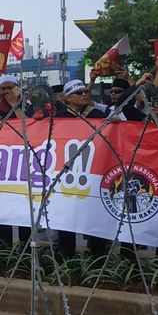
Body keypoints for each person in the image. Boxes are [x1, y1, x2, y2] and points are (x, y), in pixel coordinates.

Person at [55, 79, 108, 257]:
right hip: (67, 173)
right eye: (78, 92)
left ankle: (98, 254)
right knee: (67, 213)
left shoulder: (97, 114)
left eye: (85, 91)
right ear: (68, 98)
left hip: (92, 171)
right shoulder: (60, 117)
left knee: (94, 212)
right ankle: (65, 254)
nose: (84, 94)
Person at [0, 75, 33, 247]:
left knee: (23, 207)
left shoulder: (28, 106)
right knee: (2, 205)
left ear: (18, 89)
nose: (6, 92)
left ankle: (26, 248)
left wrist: (14, 105)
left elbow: (25, 125)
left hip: (22, 164)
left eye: (10, 88)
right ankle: (4, 248)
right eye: (3, 89)